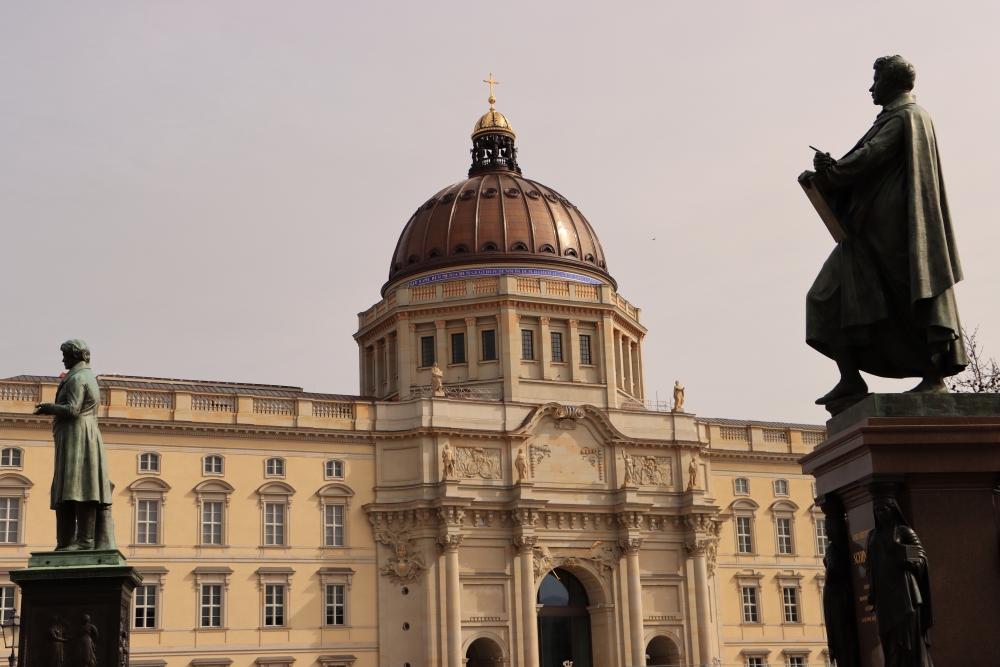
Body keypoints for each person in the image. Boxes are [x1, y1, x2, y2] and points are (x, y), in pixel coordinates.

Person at [799, 56, 966, 413]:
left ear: (891, 82)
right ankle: (851, 380)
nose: (871, 88)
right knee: (825, 297)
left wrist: (831, 171)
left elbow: (871, 157)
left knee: (908, 297)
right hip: (864, 232)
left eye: (876, 80)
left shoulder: (906, 116)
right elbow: (866, 160)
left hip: (894, 233)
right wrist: (830, 175)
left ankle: (933, 376)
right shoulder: (894, 117)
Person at [33, 340, 113, 550]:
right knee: (68, 489)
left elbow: (73, 409)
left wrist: (49, 407)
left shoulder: (78, 378)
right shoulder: (84, 376)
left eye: (66, 355)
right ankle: (65, 542)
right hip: (73, 437)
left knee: (79, 487)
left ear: (76, 356)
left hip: (79, 437)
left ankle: (84, 541)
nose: (63, 359)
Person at [865, 498, 935, 667]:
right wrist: (872, 589)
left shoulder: (904, 532)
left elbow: (922, 557)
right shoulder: (872, 535)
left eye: (883, 510)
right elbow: (869, 566)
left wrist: (910, 563)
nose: (880, 514)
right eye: (877, 511)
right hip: (883, 593)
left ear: (893, 510)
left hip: (905, 591)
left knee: (907, 637)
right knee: (886, 637)